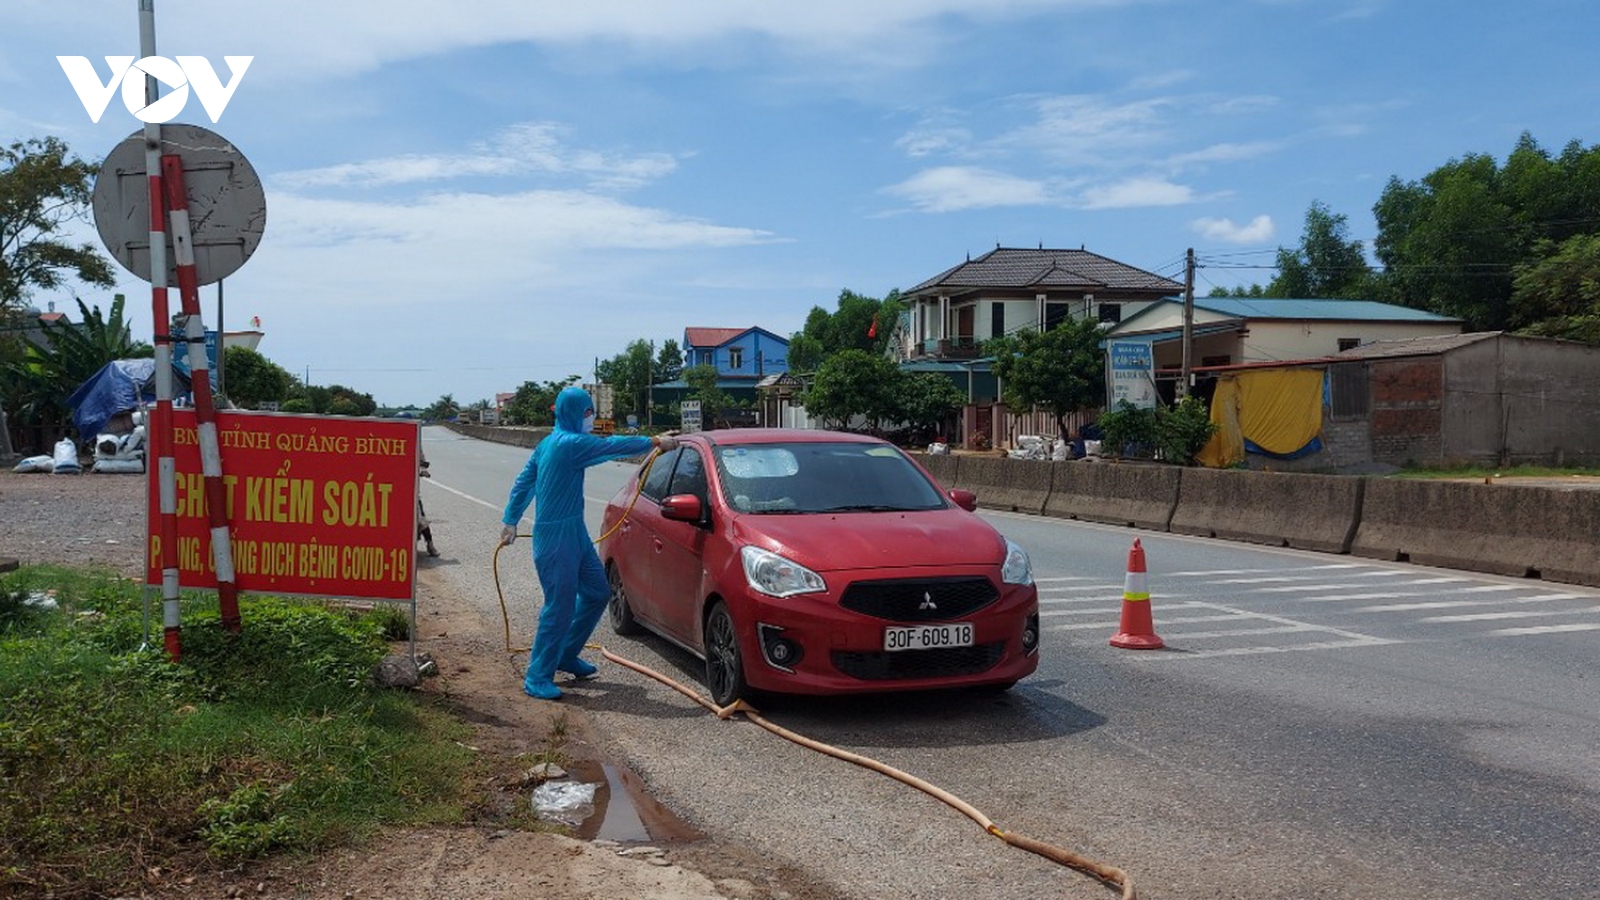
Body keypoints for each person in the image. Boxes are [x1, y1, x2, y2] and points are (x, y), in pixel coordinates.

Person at [499, 387, 678, 700]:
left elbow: (524, 482)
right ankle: (538, 675)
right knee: (559, 605)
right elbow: (609, 446)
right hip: (554, 537)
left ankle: (566, 654)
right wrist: (653, 441)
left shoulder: (549, 443)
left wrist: (512, 519)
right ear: (572, 413)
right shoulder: (567, 444)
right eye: (586, 412)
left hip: (574, 532)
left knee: (597, 592)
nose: (590, 417)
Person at [417, 453, 439, 558]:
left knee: (421, 518)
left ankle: (430, 544)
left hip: (411, 493)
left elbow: (422, 462)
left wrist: (422, 470)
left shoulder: (415, 443)